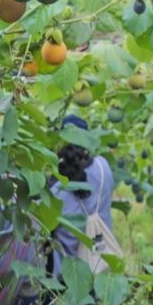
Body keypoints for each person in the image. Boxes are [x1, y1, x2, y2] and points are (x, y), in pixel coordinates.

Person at [49, 115, 115, 276]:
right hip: (100, 259)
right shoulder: (102, 166)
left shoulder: (56, 188)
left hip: (67, 271)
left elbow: (47, 227)